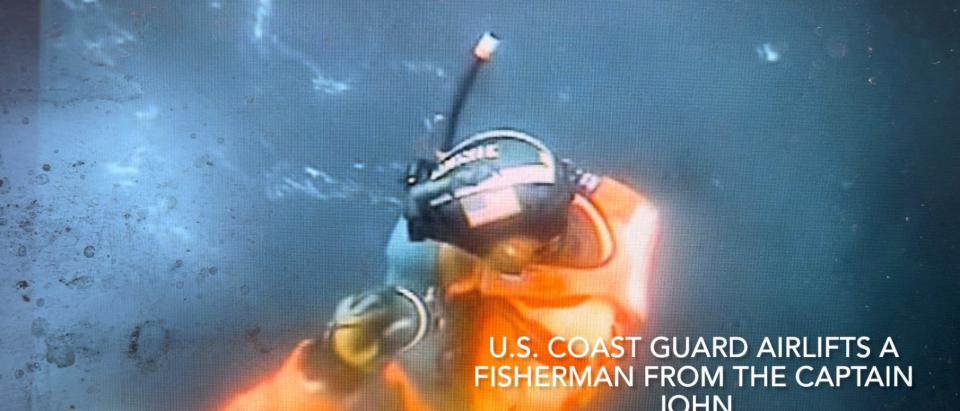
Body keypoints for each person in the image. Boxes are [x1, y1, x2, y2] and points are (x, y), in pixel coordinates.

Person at [223, 128, 661, 411]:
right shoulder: (628, 216)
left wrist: (335, 367)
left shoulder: (540, 358)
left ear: (511, 257)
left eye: (464, 245)